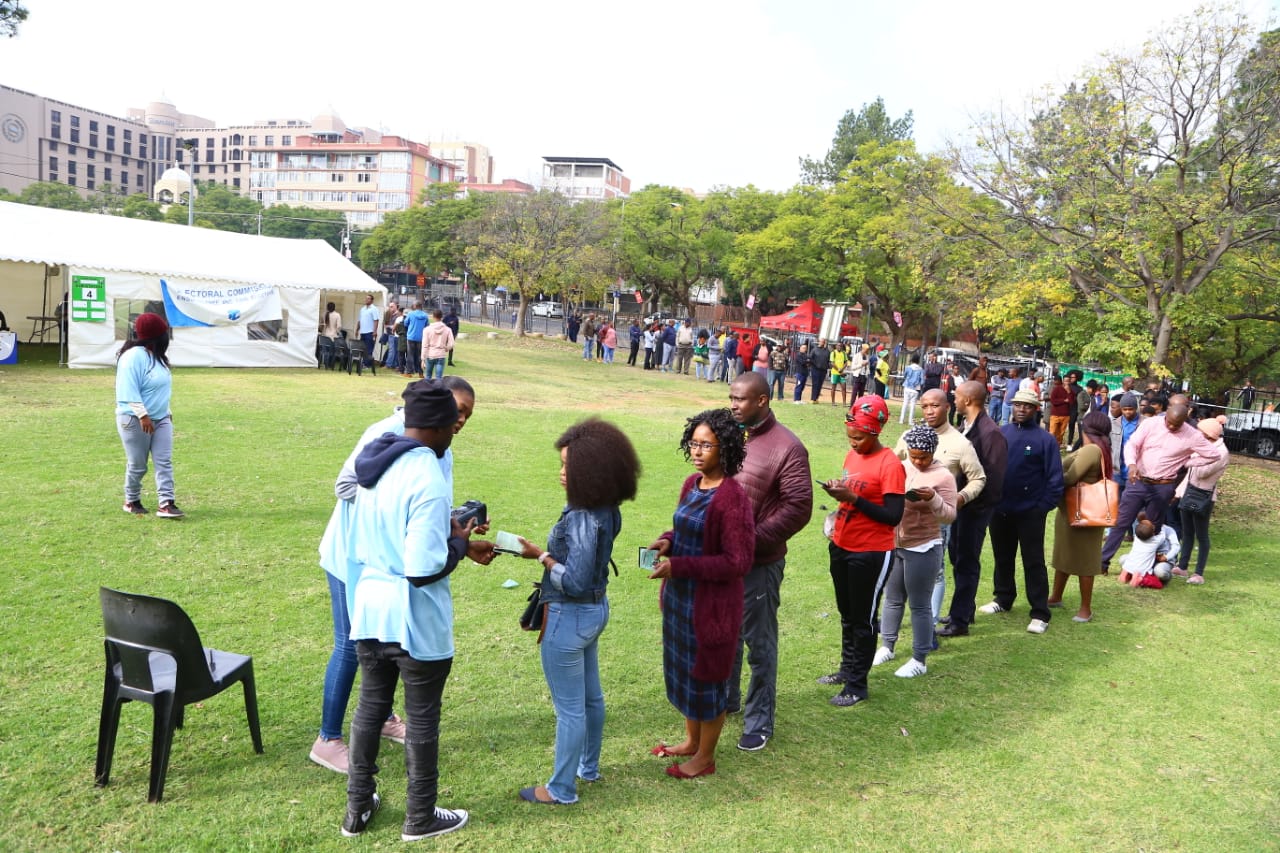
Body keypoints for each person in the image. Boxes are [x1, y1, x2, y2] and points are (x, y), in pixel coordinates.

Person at [313, 377, 483, 775]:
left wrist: (455, 532)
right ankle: (327, 738)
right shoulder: (386, 434)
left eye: (467, 417)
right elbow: (345, 485)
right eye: (456, 411)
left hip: (395, 562)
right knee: (351, 643)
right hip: (356, 555)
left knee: (384, 646)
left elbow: (426, 507)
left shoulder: (440, 448)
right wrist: (393, 512)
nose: (459, 422)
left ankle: (385, 718)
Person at [514, 419, 640, 804]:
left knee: (570, 710)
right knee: (590, 698)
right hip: (594, 612)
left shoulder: (584, 516)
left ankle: (561, 789)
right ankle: (589, 767)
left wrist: (543, 556)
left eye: (570, 465)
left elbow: (576, 581)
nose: (562, 473)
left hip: (569, 617)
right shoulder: (605, 506)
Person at [647, 409, 754, 779]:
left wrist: (681, 566)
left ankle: (705, 757)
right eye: (694, 442)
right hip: (681, 602)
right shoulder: (692, 484)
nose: (697, 451)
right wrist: (667, 542)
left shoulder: (732, 498)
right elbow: (686, 532)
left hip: (711, 608)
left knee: (708, 681)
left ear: (724, 448)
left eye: (706, 445)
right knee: (686, 675)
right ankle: (691, 741)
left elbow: (737, 561)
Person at [726, 372, 812, 750]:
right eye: (730, 397)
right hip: (721, 561)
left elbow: (799, 507)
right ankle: (725, 700)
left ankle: (759, 720)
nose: (733, 405)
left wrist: (751, 541)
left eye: (741, 399)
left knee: (758, 643)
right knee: (722, 634)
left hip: (759, 563)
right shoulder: (729, 436)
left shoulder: (788, 447)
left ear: (762, 401)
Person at [818, 395, 905, 706]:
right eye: (850, 436)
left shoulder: (890, 464)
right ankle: (846, 669)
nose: (853, 443)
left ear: (875, 433)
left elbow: (893, 515)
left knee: (863, 619)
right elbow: (851, 491)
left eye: (859, 437)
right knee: (846, 614)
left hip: (871, 552)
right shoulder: (852, 457)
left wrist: (853, 499)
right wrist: (838, 491)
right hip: (842, 543)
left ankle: (857, 685)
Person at [1099, 394, 1227, 573]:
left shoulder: (1192, 435)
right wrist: (1132, 464)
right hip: (1139, 481)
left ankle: (1147, 567)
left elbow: (1213, 455)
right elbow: (1132, 445)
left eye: (1177, 424)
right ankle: (1102, 563)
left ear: (1185, 420)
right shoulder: (1150, 424)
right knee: (1122, 521)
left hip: (1163, 486)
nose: (1172, 427)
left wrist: (1186, 463)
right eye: (1170, 423)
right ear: (1166, 414)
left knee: (1154, 528)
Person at [894, 388, 986, 625]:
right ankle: (893, 615)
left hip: (936, 520)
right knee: (897, 565)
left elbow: (979, 478)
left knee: (936, 571)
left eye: (934, 405)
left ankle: (930, 622)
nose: (929, 411)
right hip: (903, 517)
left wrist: (960, 497)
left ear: (947, 407)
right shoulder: (909, 437)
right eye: (924, 406)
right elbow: (892, 466)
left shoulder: (960, 443)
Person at [874, 424, 957, 678]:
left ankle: (919, 659)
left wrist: (932, 498)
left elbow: (950, 515)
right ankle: (887, 645)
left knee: (920, 605)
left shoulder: (944, 477)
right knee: (892, 598)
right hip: (895, 544)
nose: (918, 461)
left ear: (933, 452)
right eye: (913, 456)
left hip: (923, 547)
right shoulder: (902, 467)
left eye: (923, 456)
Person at [980, 388, 1064, 634]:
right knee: (1002, 556)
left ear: (1035, 409)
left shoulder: (1045, 439)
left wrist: (1041, 508)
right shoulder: (1000, 433)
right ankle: (1003, 598)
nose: (1021, 409)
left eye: (1027, 406)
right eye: (1017, 405)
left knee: (1033, 561)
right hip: (1000, 509)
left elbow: (1055, 480)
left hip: (1030, 512)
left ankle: (1039, 612)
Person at [937, 382, 1007, 638]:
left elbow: (993, 480)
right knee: (957, 557)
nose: (953, 400)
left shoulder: (991, 433)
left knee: (966, 561)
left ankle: (960, 621)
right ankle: (964, 608)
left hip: (974, 509)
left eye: (956, 396)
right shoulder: (964, 427)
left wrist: (969, 503)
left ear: (968, 400)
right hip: (958, 506)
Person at [115, 312, 183, 519]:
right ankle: (131, 499)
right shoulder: (132, 357)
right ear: (158, 336)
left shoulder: (157, 357)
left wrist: (167, 412)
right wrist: (143, 416)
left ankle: (167, 503)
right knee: (138, 464)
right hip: (134, 419)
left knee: (164, 461)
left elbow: (161, 389)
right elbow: (128, 389)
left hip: (161, 418)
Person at [1047, 411, 1113, 623]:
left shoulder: (1091, 450)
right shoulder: (1094, 449)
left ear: (1086, 427)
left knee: (1085, 561)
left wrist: (1048, 471)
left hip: (1082, 512)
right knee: (1065, 555)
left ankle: (1086, 608)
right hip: (1074, 512)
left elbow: (1069, 477)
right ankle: (1056, 596)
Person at [1172, 416, 1230, 584]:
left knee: (1202, 535)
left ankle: (1199, 573)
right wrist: (1178, 492)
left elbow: (1201, 473)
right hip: (1188, 492)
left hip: (1204, 497)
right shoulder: (1202, 447)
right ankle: (1182, 567)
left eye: (1200, 431)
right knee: (1187, 532)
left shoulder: (1221, 452)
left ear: (1208, 434)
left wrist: (1193, 458)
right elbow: (1189, 474)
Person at [422, 310, 454, 379]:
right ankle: (438, 389)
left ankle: (427, 389)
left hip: (430, 353)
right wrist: (447, 348)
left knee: (428, 376)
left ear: (433, 317)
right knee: (439, 377)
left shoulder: (427, 330)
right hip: (440, 354)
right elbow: (451, 343)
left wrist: (423, 359)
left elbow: (425, 345)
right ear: (441, 317)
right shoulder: (447, 329)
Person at [402, 302, 429, 378]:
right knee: (420, 355)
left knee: (410, 354)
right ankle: (420, 373)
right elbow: (427, 326)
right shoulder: (425, 315)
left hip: (411, 337)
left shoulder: (411, 314)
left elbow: (405, 323)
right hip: (421, 337)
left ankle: (408, 372)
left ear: (415, 306)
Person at [357, 294, 380, 370]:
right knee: (362, 348)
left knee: (369, 348)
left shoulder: (374, 309)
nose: (366, 300)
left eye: (368, 299)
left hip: (370, 332)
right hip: (362, 332)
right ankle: (363, 363)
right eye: (366, 298)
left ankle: (367, 364)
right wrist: (357, 329)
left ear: (372, 300)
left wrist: (375, 331)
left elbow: (376, 320)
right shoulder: (362, 309)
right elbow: (360, 320)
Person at [1048, 374, 1072, 446]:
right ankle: (1049, 446)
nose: (1067, 383)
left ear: (1070, 382)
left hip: (1065, 415)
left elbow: (1071, 402)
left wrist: (1069, 392)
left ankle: (1057, 447)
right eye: (1065, 381)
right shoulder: (1057, 389)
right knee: (1052, 432)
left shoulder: (1071, 391)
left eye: (1068, 381)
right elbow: (1053, 401)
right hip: (1055, 414)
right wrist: (1064, 401)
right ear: (1063, 381)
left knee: (1061, 434)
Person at [900, 355, 923, 424]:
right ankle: (910, 421)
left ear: (912, 360)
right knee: (913, 405)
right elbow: (922, 381)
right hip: (915, 389)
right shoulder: (921, 369)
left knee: (905, 403)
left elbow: (905, 376)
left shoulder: (908, 367)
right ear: (918, 361)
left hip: (907, 387)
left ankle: (901, 420)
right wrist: (918, 384)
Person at [808, 339, 831, 403]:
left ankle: (817, 398)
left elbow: (829, 361)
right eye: (821, 341)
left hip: (823, 370)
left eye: (823, 342)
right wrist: (814, 364)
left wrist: (828, 366)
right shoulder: (814, 349)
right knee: (815, 384)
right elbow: (810, 358)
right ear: (819, 342)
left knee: (820, 384)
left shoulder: (827, 351)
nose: (822, 343)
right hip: (815, 369)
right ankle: (813, 398)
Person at [829, 342, 849, 408]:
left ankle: (844, 403)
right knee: (833, 388)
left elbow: (846, 362)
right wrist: (838, 370)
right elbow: (832, 363)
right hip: (835, 373)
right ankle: (833, 403)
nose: (839, 346)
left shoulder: (844, 353)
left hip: (842, 373)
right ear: (836, 346)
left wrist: (842, 369)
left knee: (844, 387)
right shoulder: (833, 353)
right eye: (838, 345)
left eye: (840, 345)